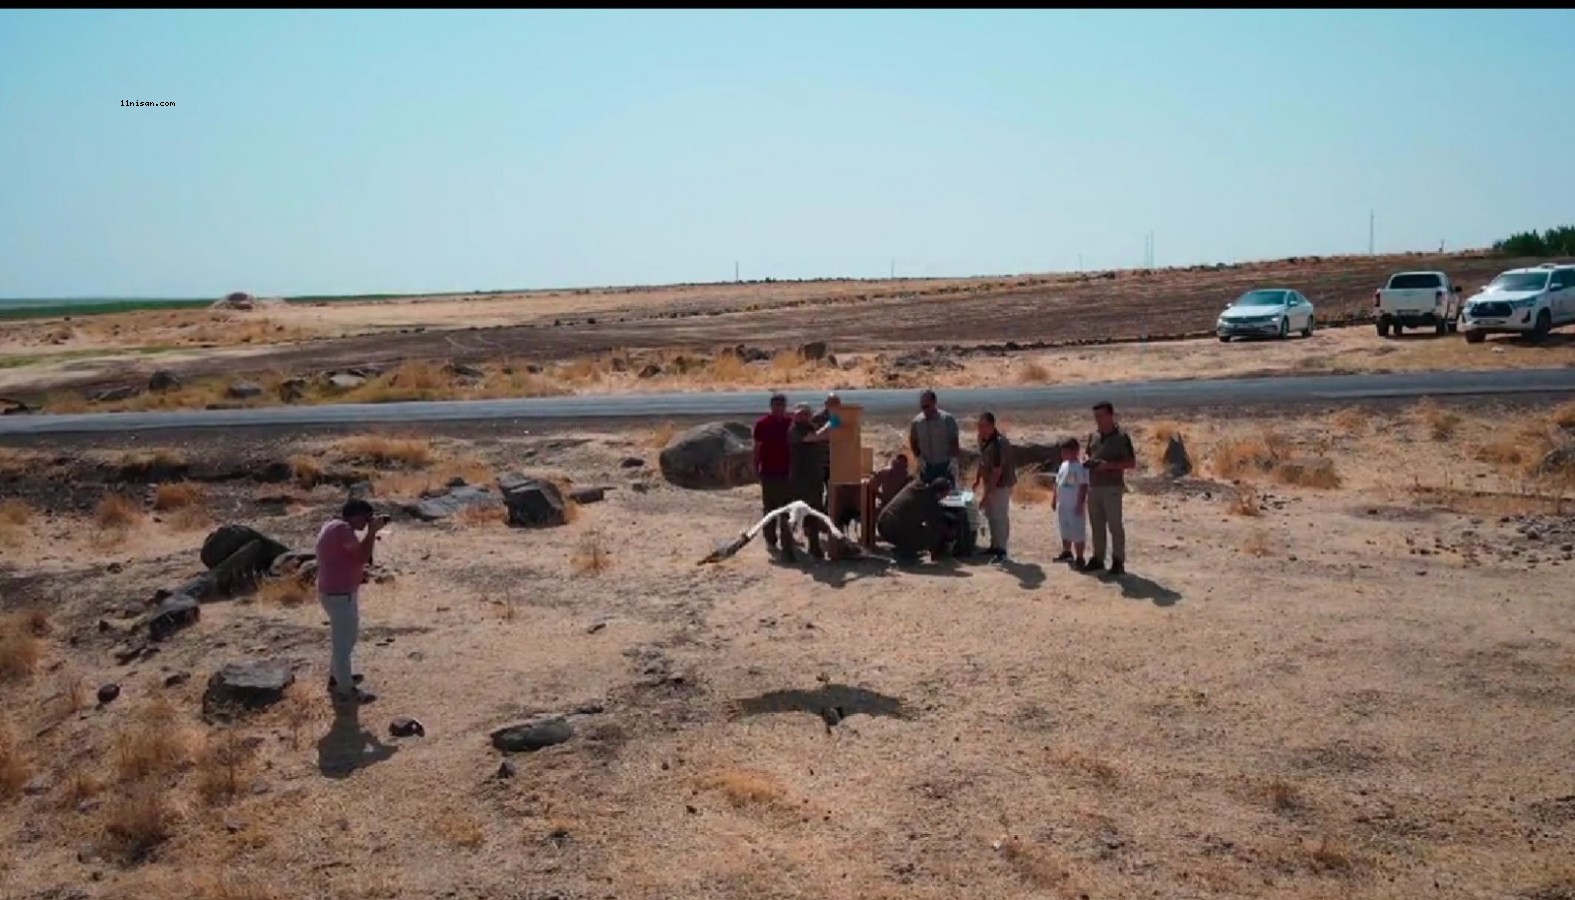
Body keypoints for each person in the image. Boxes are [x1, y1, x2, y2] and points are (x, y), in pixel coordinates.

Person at [316, 499, 386, 704]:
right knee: (344, 645)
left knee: (342, 639)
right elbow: (363, 556)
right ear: (356, 515)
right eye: (366, 517)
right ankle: (346, 691)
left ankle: (336, 678)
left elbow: (351, 556)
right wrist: (372, 532)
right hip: (339, 594)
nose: (367, 522)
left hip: (334, 591)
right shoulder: (342, 530)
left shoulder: (332, 526)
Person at [1084, 401, 1137, 575]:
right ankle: (1098, 558)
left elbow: (1131, 463)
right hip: (1094, 486)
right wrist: (1088, 461)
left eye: (1101, 416)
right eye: (1096, 417)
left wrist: (1108, 466)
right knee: (1096, 525)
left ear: (1111, 415)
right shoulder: (1094, 436)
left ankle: (1118, 561)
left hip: (1112, 487)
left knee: (1115, 526)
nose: (1098, 420)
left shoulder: (1122, 437)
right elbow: (1088, 453)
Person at [786, 402, 831, 561]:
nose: (802, 416)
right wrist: (833, 423)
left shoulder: (809, 426)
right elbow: (817, 437)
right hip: (800, 481)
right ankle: (789, 547)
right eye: (800, 413)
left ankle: (814, 547)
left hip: (814, 479)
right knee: (796, 515)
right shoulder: (794, 430)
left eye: (805, 413)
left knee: (814, 514)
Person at [752, 393, 795, 554]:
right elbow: (757, 447)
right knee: (770, 509)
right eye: (776, 406)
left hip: (787, 472)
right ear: (771, 407)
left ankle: (788, 543)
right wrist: (756, 467)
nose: (779, 409)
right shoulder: (762, 424)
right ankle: (770, 540)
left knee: (787, 509)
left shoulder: (790, 423)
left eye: (782, 406)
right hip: (769, 472)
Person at [876, 477, 955, 562]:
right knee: (930, 534)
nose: (944, 498)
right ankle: (906, 552)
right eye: (944, 495)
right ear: (939, 493)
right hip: (891, 529)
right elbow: (936, 525)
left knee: (918, 528)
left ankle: (905, 549)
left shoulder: (916, 486)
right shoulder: (929, 502)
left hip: (883, 522)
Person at [972, 411, 1016, 562]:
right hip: (989, 482)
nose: (982, 429)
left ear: (991, 426)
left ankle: (1002, 549)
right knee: (991, 515)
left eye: (985, 426)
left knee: (1000, 516)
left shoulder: (998, 443)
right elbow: (982, 461)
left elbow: (997, 472)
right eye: (980, 426)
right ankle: (994, 545)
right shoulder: (983, 440)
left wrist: (987, 494)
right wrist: (978, 480)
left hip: (1001, 484)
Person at [908, 389, 961, 485]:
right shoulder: (917, 422)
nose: (925, 410)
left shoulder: (947, 420)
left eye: (927, 406)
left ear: (934, 403)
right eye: (922, 407)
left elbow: (954, 440)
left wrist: (953, 461)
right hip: (927, 467)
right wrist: (918, 458)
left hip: (944, 465)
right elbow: (913, 440)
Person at [1051, 437, 1090, 567]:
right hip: (1063, 504)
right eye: (1063, 452)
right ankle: (1067, 552)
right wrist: (1054, 498)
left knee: (1077, 530)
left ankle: (1080, 557)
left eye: (1067, 452)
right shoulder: (1063, 465)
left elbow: (1084, 486)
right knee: (1065, 528)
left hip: (1075, 504)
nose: (1064, 455)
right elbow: (1057, 483)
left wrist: (1080, 503)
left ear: (1075, 451)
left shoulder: (1080, 467)